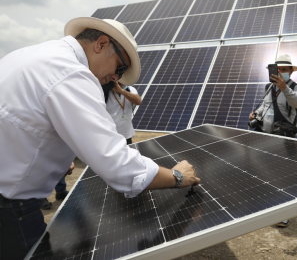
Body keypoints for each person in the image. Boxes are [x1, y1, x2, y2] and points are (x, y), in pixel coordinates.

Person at [0, 17, 200, 260]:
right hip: (10, 207)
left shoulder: (30, 54)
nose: (116, 77)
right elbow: (114, 161)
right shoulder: (71, 73)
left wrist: (50, 158)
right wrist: (177, 176)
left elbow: (19, 122)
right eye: (119, 67)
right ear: (102, 44)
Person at [249, 54, 297, 227]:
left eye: (284, 70)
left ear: (291, 72)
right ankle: (267, 207)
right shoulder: (268, 87)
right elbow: (266, 106)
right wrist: (256, 114)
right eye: (277, 69)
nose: (280, 72)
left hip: (285, 139)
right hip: (265, 137)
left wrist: (285, 89)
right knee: (265, 173)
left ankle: (284, 215)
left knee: (283, 176)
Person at [105, 81, 142, 145]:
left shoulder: (130, 90)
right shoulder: (105, 92)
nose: (121, 81)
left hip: (127, 136)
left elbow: (138, 101)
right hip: (111, 136)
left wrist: (121, 91)